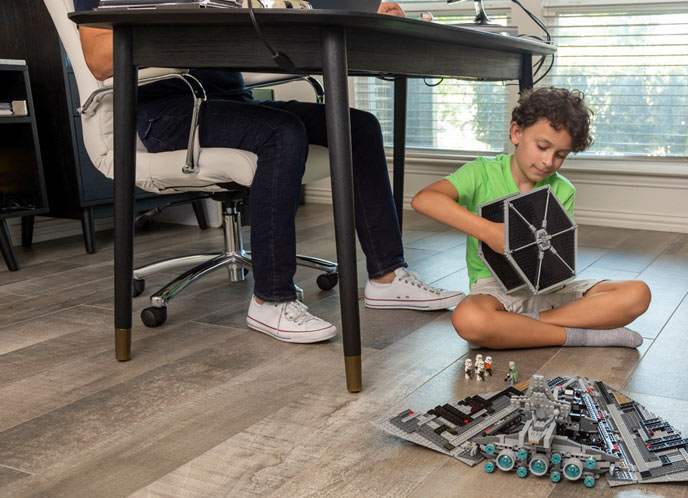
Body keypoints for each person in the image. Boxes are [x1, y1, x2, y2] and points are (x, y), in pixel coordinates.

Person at [75, 0, 463, 344]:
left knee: (358, 127)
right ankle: (270, 299)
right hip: (170, 113)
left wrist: (361, 13)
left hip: (234, 104)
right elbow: (100, 60)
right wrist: (192, 20)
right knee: (282, 133)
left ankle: (387, 278)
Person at [411, 87, 651, 350]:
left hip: (551, 291)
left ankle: (522, 327)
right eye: (542, 147)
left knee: (638, 293)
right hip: (496, 293)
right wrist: (488, 231)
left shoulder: (563, 190)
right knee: (468, 318)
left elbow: (554, 263)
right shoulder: (481, 173)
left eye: (560, 155)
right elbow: (425, 200)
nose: (548, 161)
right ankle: (580, 336)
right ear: (517, 132)